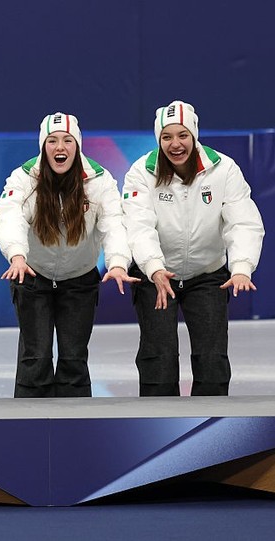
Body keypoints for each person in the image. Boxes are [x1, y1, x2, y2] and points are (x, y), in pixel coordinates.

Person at [122, 100, 264, 396]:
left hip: (208, 275)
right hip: (157, 277)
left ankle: (210, 425)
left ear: (195, 135)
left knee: (212, 360)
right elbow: (138, 226)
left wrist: (241, 268)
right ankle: (157, 425)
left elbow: (243, 222)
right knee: (157, 359)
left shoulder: (223, 169)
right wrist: (154, 267)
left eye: (182, 135)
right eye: (167, 137)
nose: (175, 144)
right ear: (158, 140)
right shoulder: (141, 172)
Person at [0, 112, 136, 398]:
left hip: (79, 280)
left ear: (78, 145)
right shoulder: (24, 178)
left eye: (67, 140)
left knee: (73, 358)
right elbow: (9, 217)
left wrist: (118, 263)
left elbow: (114, 224)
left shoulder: (99, 180)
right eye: (53, 141)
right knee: (35, 358)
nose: (60, 147)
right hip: (32, 275)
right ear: (43, 146)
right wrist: (17, 255)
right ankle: (28, 428)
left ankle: (76, 432)